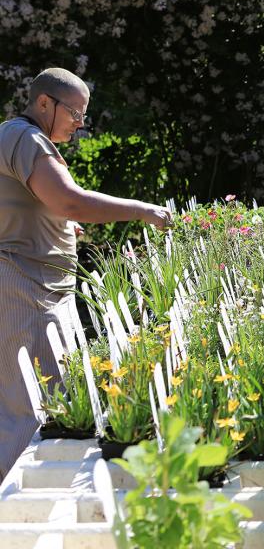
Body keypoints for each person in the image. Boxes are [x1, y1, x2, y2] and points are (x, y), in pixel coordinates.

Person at [0, 68, 172, 480]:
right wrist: (143, 210)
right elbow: (71, 201)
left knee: (25, 409)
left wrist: (57, 225)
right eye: (74, 113)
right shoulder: (26, 138)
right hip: (25, 286)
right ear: (44, 103)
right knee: (31, 412)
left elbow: (43, 205)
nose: (79, 124)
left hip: (30, 282)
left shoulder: (16, 135)